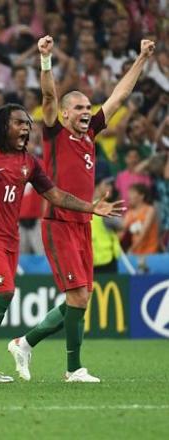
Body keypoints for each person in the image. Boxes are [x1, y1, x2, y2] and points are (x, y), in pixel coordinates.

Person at [8, 36, 154, 383]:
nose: (86, 112)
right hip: (58, 221)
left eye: (89, 108)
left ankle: (24, 343)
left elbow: (118, 96)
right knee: (76, 295)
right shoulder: (54, 133)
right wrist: (45, 60)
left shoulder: (90, 136)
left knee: (82, 297)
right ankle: (73, 369)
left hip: (83, 224)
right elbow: (46, 96)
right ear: (64, 113)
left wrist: (141, 59)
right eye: (79, 108)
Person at [0, 103, 124, 383]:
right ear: (4, 126)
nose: (26, 128)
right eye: (19, 123)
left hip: (11, 237)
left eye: (27, 124)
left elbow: (56, 196)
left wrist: (91, 208)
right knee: (4, 292)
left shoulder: (29, 162)